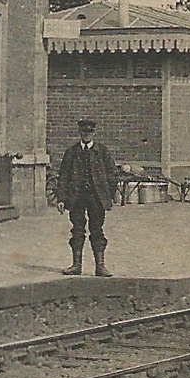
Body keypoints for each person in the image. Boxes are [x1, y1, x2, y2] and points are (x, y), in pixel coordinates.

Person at [53, 118, 117, 277]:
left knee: (97, 230)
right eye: (84, 132)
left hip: (96, 198)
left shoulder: (102, 151)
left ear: (94, 133)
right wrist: (61, 198)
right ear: (79, 133)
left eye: (89, 132)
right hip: (76, 197)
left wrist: (107, 194)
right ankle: (76, 265)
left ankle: (100, 267)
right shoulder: (72, 152)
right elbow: (63, 176)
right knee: (77, 230)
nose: (86, 135)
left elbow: (112, 174)